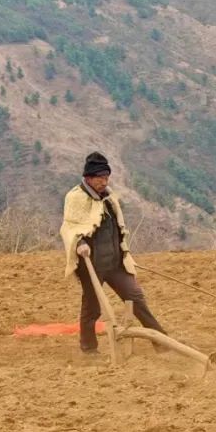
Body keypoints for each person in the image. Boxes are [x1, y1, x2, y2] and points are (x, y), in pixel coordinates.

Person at [59, 151, 167, 353]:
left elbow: (119, 228)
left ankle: (161, 341)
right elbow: (70, 227)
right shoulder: (75, 198)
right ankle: (89, 348)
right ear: (89, 178)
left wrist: (125, 253)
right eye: (100, 177)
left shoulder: (109, 198)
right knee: (92, 309)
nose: (104, 181)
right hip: (91, 264)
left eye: (106, 177)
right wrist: (80, 242)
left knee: (135, 298)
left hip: (115, 263)